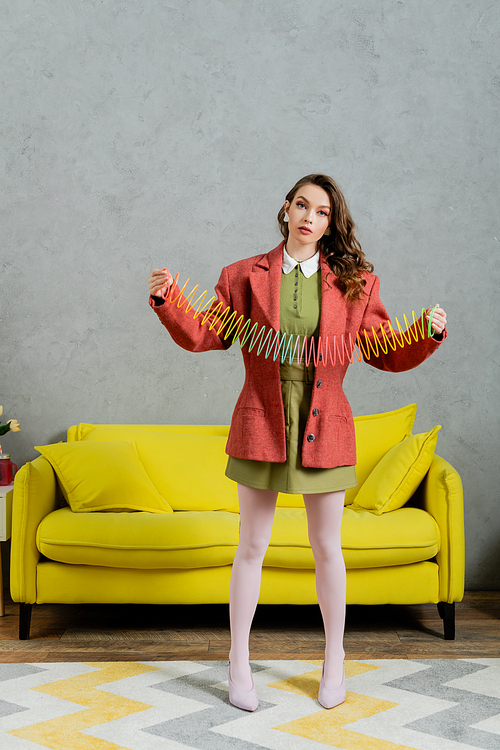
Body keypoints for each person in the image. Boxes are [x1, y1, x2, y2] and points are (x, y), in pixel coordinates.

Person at [148, 173, 447, 712]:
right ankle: (238, 661)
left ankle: (335, 660)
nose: (310, 218)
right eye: (302, 206)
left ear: (331, 224)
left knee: (327, 549)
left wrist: (426, 331)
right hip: (262, 418)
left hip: (326, 423)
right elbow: (206, 332)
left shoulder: (357, 283)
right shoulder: (242, 276)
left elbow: (382, 348)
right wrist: (168, 299)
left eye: (323, 212)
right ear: (285, 209)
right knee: (252, 547)